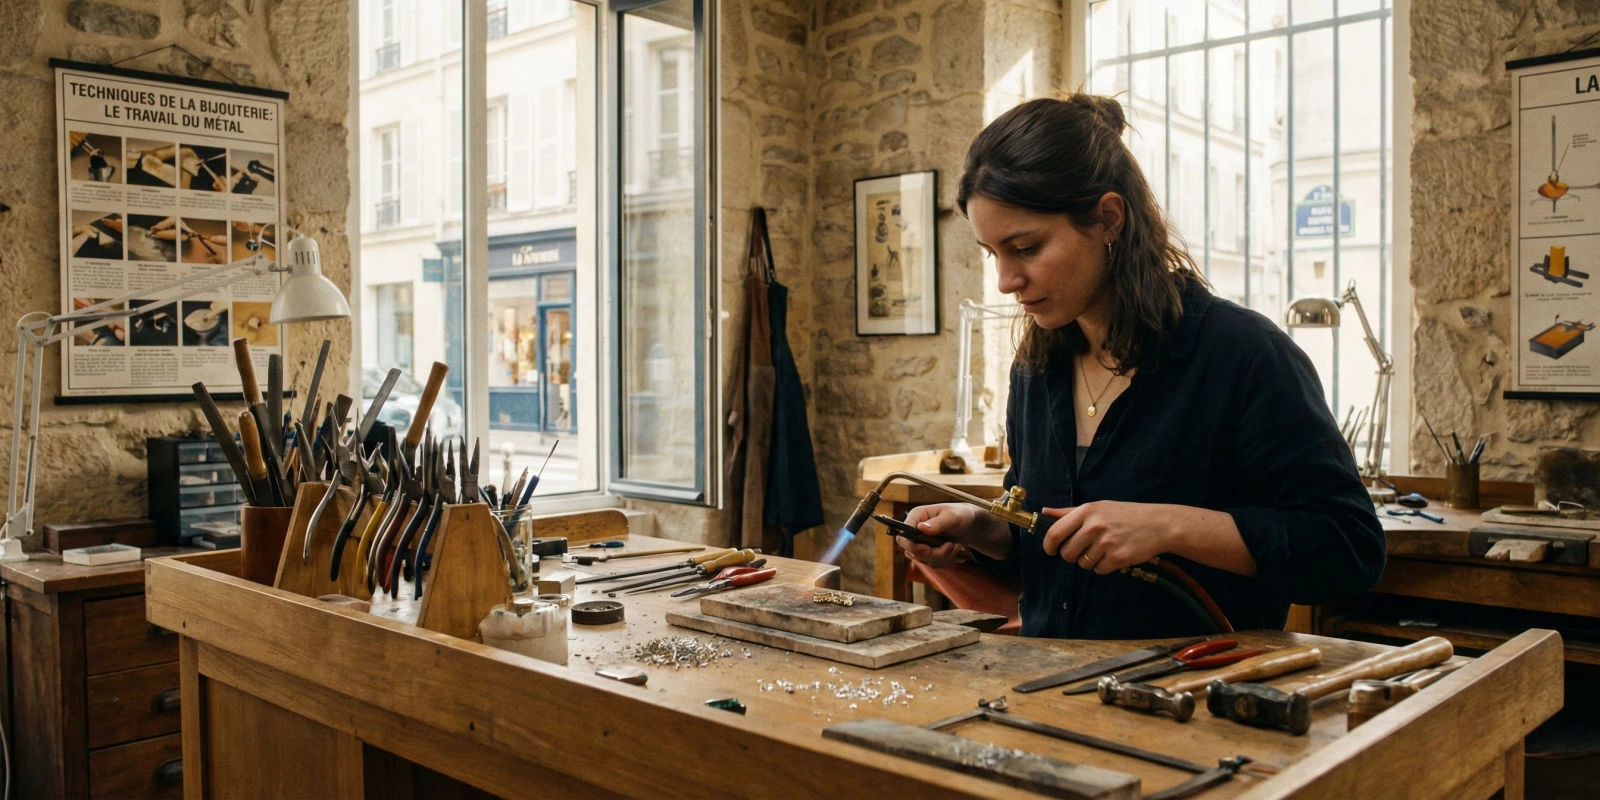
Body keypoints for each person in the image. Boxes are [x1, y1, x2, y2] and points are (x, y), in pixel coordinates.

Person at [897, 95, 1385, 639]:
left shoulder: (1242, 355)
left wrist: (1169, 526)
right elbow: (1051, 543)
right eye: (993, 253)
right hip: (1050, 692)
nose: (1006, 280)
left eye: (1027, 248)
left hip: (1196, 702)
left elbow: (1349, 549)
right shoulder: (1038, 367)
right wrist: (984, 530)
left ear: (1108, 219)